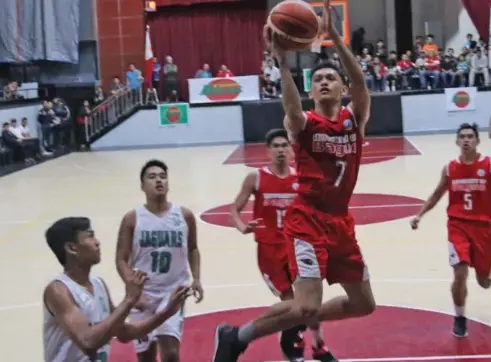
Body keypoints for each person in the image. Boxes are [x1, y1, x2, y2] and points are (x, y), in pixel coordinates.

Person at [212, 1, 374, 360]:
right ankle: (237, 337)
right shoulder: (303, 125)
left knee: (364, 304)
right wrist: (283, 63)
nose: (325, 81)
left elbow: (361, 82)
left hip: (341, 223)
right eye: (318, 80)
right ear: (312, 91)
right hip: (307, 220)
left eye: (331, 77)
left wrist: (334, 37)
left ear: (341, 86)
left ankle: (288, 326)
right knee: (303, 306)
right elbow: (290, 108)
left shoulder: (354, 118)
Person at [229, 128, 337, 361]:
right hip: (270, 250)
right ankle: (293, 337)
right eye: (276, 146)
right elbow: (234, 209)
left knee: (309, 300)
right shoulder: (256, 178)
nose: (280, 150)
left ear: (291, 151)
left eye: (285, 146)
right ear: (268, 151)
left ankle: (317, 345)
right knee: (292, 302)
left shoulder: (299, 178)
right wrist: (242, 226)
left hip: (298, 247)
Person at [410, 123, 491, 338]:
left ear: (477, 141)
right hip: (458, 226)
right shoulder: (450, 168)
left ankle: (489, 264)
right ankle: (460, 317)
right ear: (457, 141)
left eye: (470, 136)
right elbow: (436, 194)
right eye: (462, 137)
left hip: (483, 228)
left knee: (485, 282)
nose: (466, 140)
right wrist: (420, 214)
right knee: (460, 272)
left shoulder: (490, 166)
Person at [42, 217, 190, 362]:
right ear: (71, 248)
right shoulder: (58, 291)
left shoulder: (99, 284)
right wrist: (129, 300)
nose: (97, 242)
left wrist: (167, 312)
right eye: (90, 237)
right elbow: (88, 342)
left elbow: (124, 333)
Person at [115, 159, 204, 362]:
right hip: (143, 294)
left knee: (171, 353)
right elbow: (121, 259)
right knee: (146, 356)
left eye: (163, 176)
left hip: (173, 292)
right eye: (152, 177)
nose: (159, 181)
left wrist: (196, 278)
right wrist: (134, 291)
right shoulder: (132, 218)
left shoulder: (184, 215)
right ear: (142, 186)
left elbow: (193, 248)